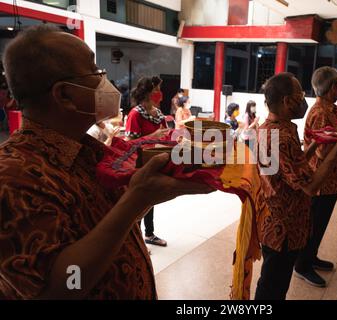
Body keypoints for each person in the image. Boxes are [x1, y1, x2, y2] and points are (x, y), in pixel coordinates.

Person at [0, 25, 213, 299]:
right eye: (96, 72)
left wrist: (153, 192)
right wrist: (135, 200)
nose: (105, 80)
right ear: (64, 95)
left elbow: (106, 227)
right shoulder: (13, 176)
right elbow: (64, 288)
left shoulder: (85, 149)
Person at [254, 72, 337, 300]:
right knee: (272, 287)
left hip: (275, 219)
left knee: (273, 281)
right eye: (299, 95)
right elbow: (310, 187)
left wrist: (316, 143)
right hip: (282, 227)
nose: (303, 99)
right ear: (286, 101)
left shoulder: (272, 128)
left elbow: (292, 165)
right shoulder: (280, 136)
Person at [292, 67, 337, 287]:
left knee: (320, 223)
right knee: (313, 223)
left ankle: (311, 256)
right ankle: (302, 265)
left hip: (330, 180)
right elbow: (322, 151)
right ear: (332, 87)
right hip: (321, 179)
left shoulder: (328, 110)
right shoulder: (321, 112)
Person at [126, 77, 171, 248]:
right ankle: (134, 239)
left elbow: (166, 135)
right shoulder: (135, 114)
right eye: (156, 90)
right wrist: (151, 137)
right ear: (147, 93)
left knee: (151, 200)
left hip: (154, 160)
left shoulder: (158, 114)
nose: (160, 93)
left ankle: (149, 234)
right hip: (138, 163)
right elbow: (129, 144)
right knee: (138, 201)